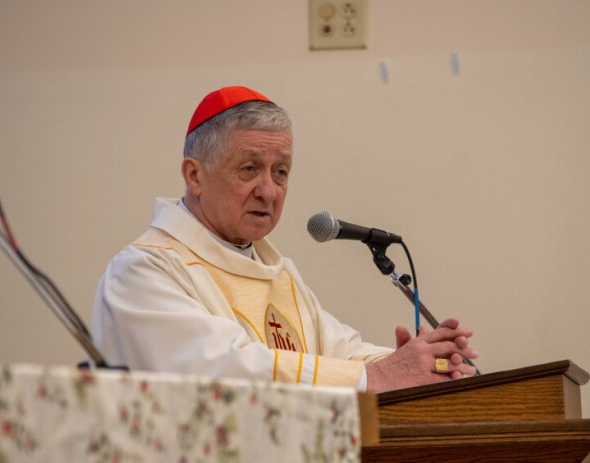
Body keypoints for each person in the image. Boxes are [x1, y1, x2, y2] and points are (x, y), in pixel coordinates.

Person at [92, 86, 478, 392]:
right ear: (194, 176)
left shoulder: (275, 271)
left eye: (281, 172)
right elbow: (226, 369)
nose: (269, 191)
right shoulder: (145, 270)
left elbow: (339, 352)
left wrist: (423, 361)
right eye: (249, 169)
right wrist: (380, 376)